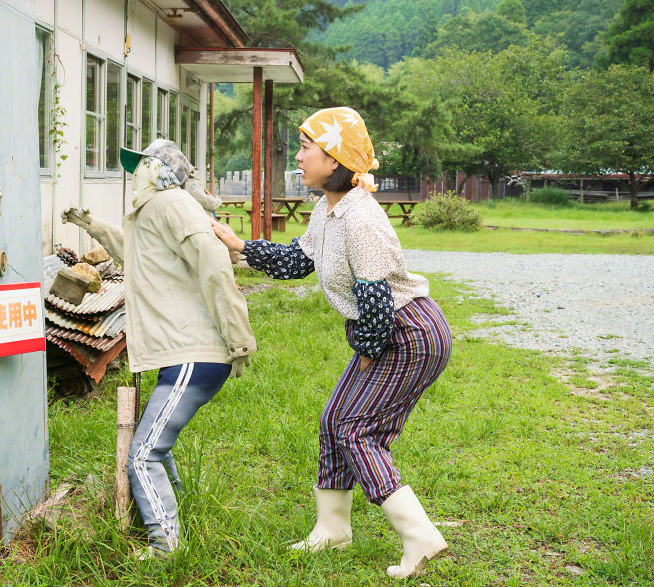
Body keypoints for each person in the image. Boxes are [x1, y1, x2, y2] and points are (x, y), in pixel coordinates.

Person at [211, 107, 452, 578]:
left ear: (335, 157)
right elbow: (296, 261)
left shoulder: (361, 220)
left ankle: (421, 538)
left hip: (407, 333)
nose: (298, 158)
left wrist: (366, 352)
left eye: (305, 148)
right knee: (334, 421)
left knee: (354, 429)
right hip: (393, 329)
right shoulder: (328, 209)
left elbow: (377, 302)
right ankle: (333, 530)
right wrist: (238, 246)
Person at [62, 139, 256, 558]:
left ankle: (166, 546)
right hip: (182, 354)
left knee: (144, 455)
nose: (138, 172)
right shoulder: (154, 210)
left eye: (145, 164)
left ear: (161, 171)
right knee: (157, 447)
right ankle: (182, 509)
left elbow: (214, 263)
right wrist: (93, 226)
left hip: (194, 353)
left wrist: (238, 338)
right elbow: (137, 252)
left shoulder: (172, 204)